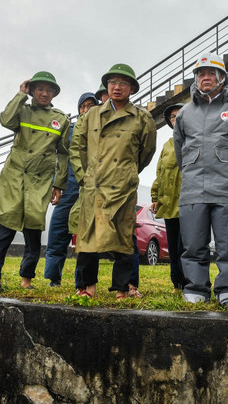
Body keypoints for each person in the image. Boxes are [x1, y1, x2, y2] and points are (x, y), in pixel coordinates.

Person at [173, 54, 228, 306]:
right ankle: (196, 289)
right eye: (200, 74)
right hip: (193, 190)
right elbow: (179, 149)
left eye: (211, 73)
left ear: (223, 77)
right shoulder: (185, 113)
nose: (205, 78)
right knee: (193, 246)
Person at [0, 72, 70, 293]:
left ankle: (26, 278)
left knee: (33, 232)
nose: (44, 93)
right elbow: (5, 120)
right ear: (32, 90)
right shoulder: (22, 111)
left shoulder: (61, 119)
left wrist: (60, 184)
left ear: (54, 93)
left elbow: (64, 153)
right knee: (1, 225)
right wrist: (20, 95)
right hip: (14, 177)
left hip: (40, 181)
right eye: (39, 89)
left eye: (49, 90)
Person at [70, 64, 156, 299]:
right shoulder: (92, 115)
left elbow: (146, 153)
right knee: (87, 239)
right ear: (107, 86)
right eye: (113, 83)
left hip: (122, 187)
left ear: (132, 89)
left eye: (123, 83)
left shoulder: (142, 118)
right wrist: (88, 175)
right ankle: (88, 287)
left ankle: (121, 288)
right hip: (94, 185)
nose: (117, 87)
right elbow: (80, 147)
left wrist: (127, 172)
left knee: (123, 239)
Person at [43, 92, 98, 287]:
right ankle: (53, 278)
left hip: (90, 189)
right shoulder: (70, 129)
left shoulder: (100, 131)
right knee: (58, 233)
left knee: (85, 238)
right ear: (78, 109)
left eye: (91, 105)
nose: (87, 109)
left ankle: (82, 281)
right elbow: (61, 158)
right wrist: (56, 184)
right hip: (69, 188)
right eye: (83, 106)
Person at [150, 103, 186, 291]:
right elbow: (160, 173)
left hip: (188, 203)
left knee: (185, 247)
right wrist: (155, 197)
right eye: (172, 116)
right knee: (173, 247)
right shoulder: (166, 145)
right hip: (169, 203)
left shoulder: (194, 138)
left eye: (180, 114)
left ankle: (190, 283)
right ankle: (177, 283)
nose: (176, 118)